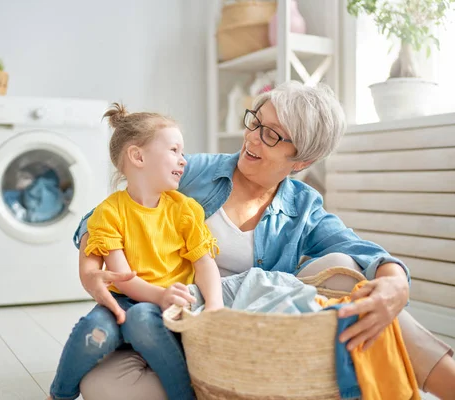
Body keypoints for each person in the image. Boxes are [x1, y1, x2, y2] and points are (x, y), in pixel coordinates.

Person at [73, 82, 455, 400]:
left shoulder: (303, 206)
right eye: (255, 122)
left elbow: (361, 249)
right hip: (178, 324)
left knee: (348, 271)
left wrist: (396, 284)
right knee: (102, 385)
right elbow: (104, 216)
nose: (252, 138)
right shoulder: (195, 172)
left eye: (271, 135)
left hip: (256, 329)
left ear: (301, 161)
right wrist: (90, 272)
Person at [48, 103, 223, 400]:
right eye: (174, 150)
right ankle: (58, 395)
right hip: (123, 299)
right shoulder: (108, 212)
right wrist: (158, 295)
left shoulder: (185, 210)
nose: (183, 161)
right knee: (93, 329)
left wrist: (215, 305)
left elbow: (205, 263)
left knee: (142, 316)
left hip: (171, 305)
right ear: (138, 156)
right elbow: (122, 276)